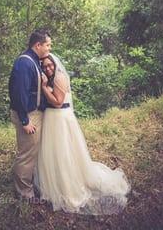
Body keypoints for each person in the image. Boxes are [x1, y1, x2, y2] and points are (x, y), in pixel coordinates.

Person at [34, 53, 130, 214]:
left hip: (60, 119)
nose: (48, 68)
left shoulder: (60, 78)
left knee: (65, 153)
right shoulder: (49, 79)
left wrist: (44, 87)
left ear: (55, 64)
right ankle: (54, 183)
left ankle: (68, 186)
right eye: (44, 66)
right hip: (51, 119)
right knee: (54, 153)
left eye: (50, 65)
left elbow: (57, 102)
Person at [8, 28, 52, 200]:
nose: (49, 49)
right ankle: (24, 193)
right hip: (27, 115)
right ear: (38, 44)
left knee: (32, 151)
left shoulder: (34, 61)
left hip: (33, 113)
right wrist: (25, 120)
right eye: (48, 45)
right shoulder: (24, 63)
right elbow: (19, 93)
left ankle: (29, 183)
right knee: (26, 154)